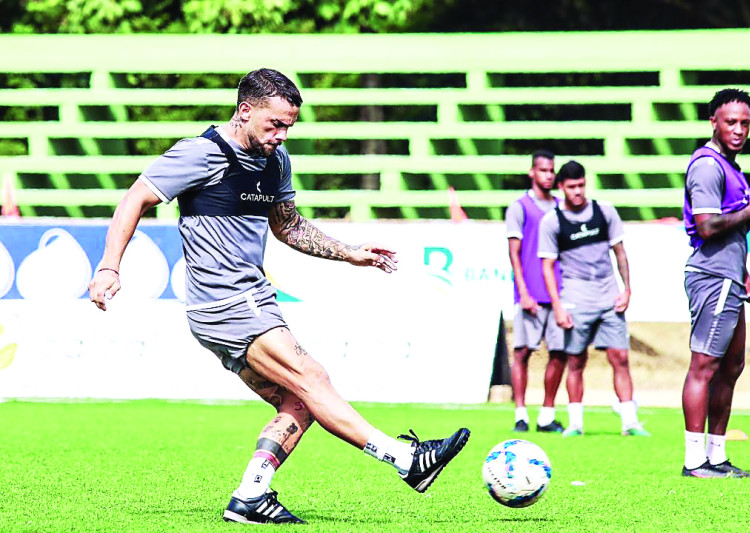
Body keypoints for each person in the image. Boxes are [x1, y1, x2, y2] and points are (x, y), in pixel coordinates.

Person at [88, 68, 470, 524]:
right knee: (312, 376)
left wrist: (349, 253)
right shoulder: (201, 153)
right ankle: (406, 460)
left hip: (245, 301)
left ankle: (249, 497)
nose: (281, 134)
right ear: (245, 110)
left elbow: (287, 225)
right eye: (275, 124)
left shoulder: (276, 161)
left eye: (289, 125)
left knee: (300, 402)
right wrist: (110, 265)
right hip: (226, 301)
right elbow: (135, 198)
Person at [680, 88, 750, 478]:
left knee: (732, 366)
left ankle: (717, 455)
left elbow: (729, 234)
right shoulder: (707, 166)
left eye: (745, 123)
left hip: (729, 276)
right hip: (711, 277)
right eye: (730, 121)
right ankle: (695, 460)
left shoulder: (731, 167)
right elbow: (707, 226)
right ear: (712, 121)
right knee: (704, 365)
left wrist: (744, 272)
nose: (739, 129)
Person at [538, 160, 649, 437]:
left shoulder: (604, 211)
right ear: (561, 187)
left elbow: (620, 253)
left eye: (581, 185)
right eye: (572, 187)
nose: (577, 191)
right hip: (576, 298)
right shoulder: (553, 222)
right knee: (575, 361)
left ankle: (630, 422)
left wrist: (627, 289)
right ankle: (576, 423)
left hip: (609, 296)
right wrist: (558, 306)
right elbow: (547, 268)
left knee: (620, 357)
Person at [505, 149, 567, 433]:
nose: (549, 175)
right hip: (530, 292)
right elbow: (514, 254)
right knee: (522, 352)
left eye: (552, 170)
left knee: (559, 353)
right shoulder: (520, 207)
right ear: (532, 172)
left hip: (558, 294)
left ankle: (546, 414)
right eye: (543, 170)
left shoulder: (561, 207)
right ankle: (520, 413)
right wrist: (523, 292)